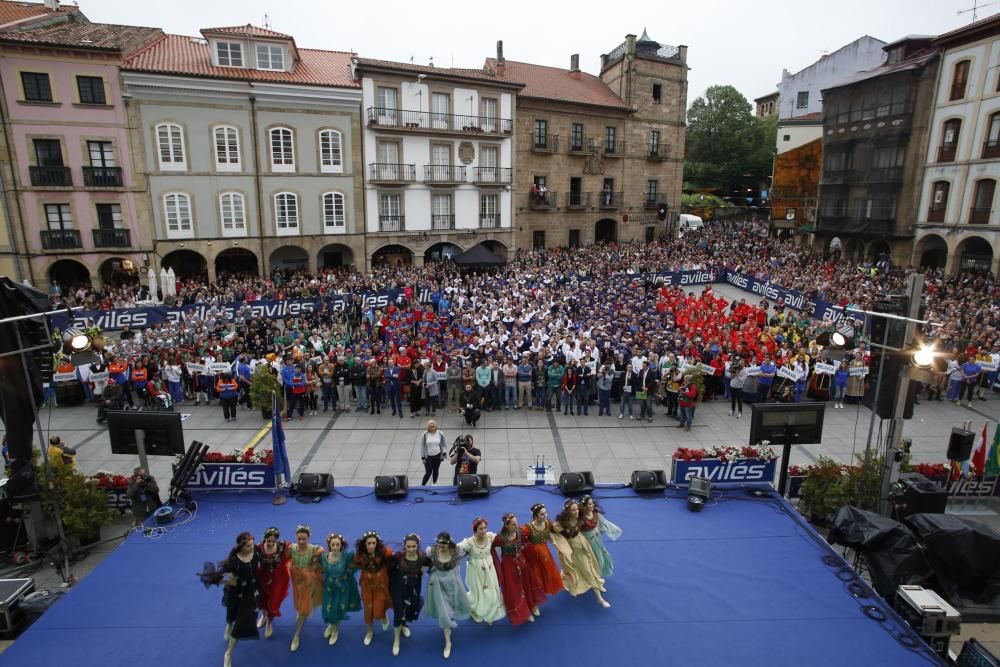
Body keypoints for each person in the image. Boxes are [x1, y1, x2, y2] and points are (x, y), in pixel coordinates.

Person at [198, 532, 261, 667]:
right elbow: (214, 577)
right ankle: (228, 625)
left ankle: (228, 653)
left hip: (250, 593)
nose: (252, 547)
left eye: (252, 544)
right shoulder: (233, 562)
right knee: (232, 613)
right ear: (240, 546)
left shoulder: (256, 553)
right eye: (248, 546)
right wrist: (228, 581)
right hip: (235, 592)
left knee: (241, 623)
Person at [549, 499, 610, 608]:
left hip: (582, 547)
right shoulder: (562, 524)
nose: (576, 512)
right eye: (573, 510)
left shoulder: (580, 518)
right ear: (568, 512)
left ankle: (598, 592)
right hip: (572, 551)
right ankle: (597, 595)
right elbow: (553, 531)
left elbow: (590, 516)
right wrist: (562, 546)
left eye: (577, 509)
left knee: (590, 568)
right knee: (580, 571)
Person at [424, 532, 471, 659]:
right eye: (439, 544)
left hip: (453, 585)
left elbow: (469, 551)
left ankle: (449, 620)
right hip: (438, 586)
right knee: (444, 613)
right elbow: (424, 562)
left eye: (444, 544)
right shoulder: (432, 551)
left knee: (452, 607)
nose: (441, 546)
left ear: (449, 543)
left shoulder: (456, 552)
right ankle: (448, 642)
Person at [493, 512, 545, 625]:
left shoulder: (520, 532)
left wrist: (525, 547)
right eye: (513, 524)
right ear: (506, 525)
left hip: (522, 561)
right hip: (509, 566)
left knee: (527, 582)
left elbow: (528, 538)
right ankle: (524, 611)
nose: (516, 526)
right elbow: (490, 547)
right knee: (515, 587)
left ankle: (532, 604)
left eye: (516, 523)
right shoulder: (499, 538)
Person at [456, 518, 506, 625]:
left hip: (489, 569)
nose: (484, 531)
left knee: (492, 590)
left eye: (485, 528)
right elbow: (457, 548)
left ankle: (491, 612)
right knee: (478, 591)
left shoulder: (489, 537)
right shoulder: (469, 542)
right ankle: (477, 612)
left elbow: (502, 538)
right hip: (476, 571)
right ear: (475, 530)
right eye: (480, 529)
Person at [389, 533, 431, 656]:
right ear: (404, 546)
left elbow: (432, 567)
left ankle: (404, 625)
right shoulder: (398, 557)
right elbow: (387, 568)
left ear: (418, 546)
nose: (411, 549)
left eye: (414, 546)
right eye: (409, 547)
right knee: (399, 612)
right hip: (399, 587)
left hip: (414, 588)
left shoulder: (422, 558)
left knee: (409, 609)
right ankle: (396, 640)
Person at [319, 532, 360, 646]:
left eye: (338, 545)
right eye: (333, 545)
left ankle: (335, 630)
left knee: (338, 608)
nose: (336, 547)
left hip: (342, 587)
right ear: (329, 545)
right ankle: (331, 624)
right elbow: (318, 568)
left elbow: (356, 564)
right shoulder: (323, 557)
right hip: (329, 587)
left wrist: (348, 574)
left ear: (341, 545)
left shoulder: (346, 556)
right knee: (328, 608)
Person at [287, 525, 323, 652]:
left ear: (309, 538)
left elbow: (322, 549)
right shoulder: (292, 548)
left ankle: (296, 635)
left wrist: (316, 555)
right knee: (298, 602)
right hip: (297, 580)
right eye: (299, 539)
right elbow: (285, 556)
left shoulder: (313, 548)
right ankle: (301, 610)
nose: (301, 542)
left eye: (304, 539)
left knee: (303, 608)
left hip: (308, 581)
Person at [354, 530, 393, 646]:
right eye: (368, 543)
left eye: (373, 543)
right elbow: (355, 564)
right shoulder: (360, 556)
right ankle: (369, 631)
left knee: (380, 604)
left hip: (381, 581)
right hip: (367, 583)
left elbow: (391, 558)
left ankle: (384, 616)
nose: (371, 546)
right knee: (368, 606)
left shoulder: (384, 553)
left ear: (377, 543)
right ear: (364, 544)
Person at [522, 503, 565, 597]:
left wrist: (564, 521)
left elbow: (556, 530)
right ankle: (536, 596)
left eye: (545, 513)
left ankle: (546, 588)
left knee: (548, 570)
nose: (545, 515)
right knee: (536, 575)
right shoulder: (528, 528)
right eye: (542, 514)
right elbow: (520, 539)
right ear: (535, 516)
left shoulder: (547, 523)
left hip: (545, 552)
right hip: (534, 555)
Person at [255, 527, 290, 640]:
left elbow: (295, 552)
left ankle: (270, 622)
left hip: (278, 577)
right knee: (262, 599)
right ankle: (264, 616)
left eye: (273, 541)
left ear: (277, 540)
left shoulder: (282, 546)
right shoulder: (258, 547)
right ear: (264, 538)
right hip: (263, 576)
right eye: (268, 540)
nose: (270, 543)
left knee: (274, 602)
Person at [578, 496, 623, 577]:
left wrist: (610, 529)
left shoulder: (595, 514)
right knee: (592, 558)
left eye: (592, 503)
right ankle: (592, 575)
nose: (592, 505)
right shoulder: (581, 519)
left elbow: (603, 523)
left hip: (596, 539)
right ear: (584, 506)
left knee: (600, 556)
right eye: (590, 504)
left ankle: (596, 573)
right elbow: (576, 531)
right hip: (587, 542)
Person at [418, 419, 447, 485]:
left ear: (436, 426)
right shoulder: (425, 434)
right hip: (428, 457)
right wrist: (423, 457)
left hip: (438, 455)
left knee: (436, 471)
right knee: (428, 472)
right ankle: (423, 485)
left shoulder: (440, 433)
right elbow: (422, 446)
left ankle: (434, 483)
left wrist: (444, 452)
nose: (432, 428)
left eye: (433, 426)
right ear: (428, 427)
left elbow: (443, 444)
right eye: (430, 427)